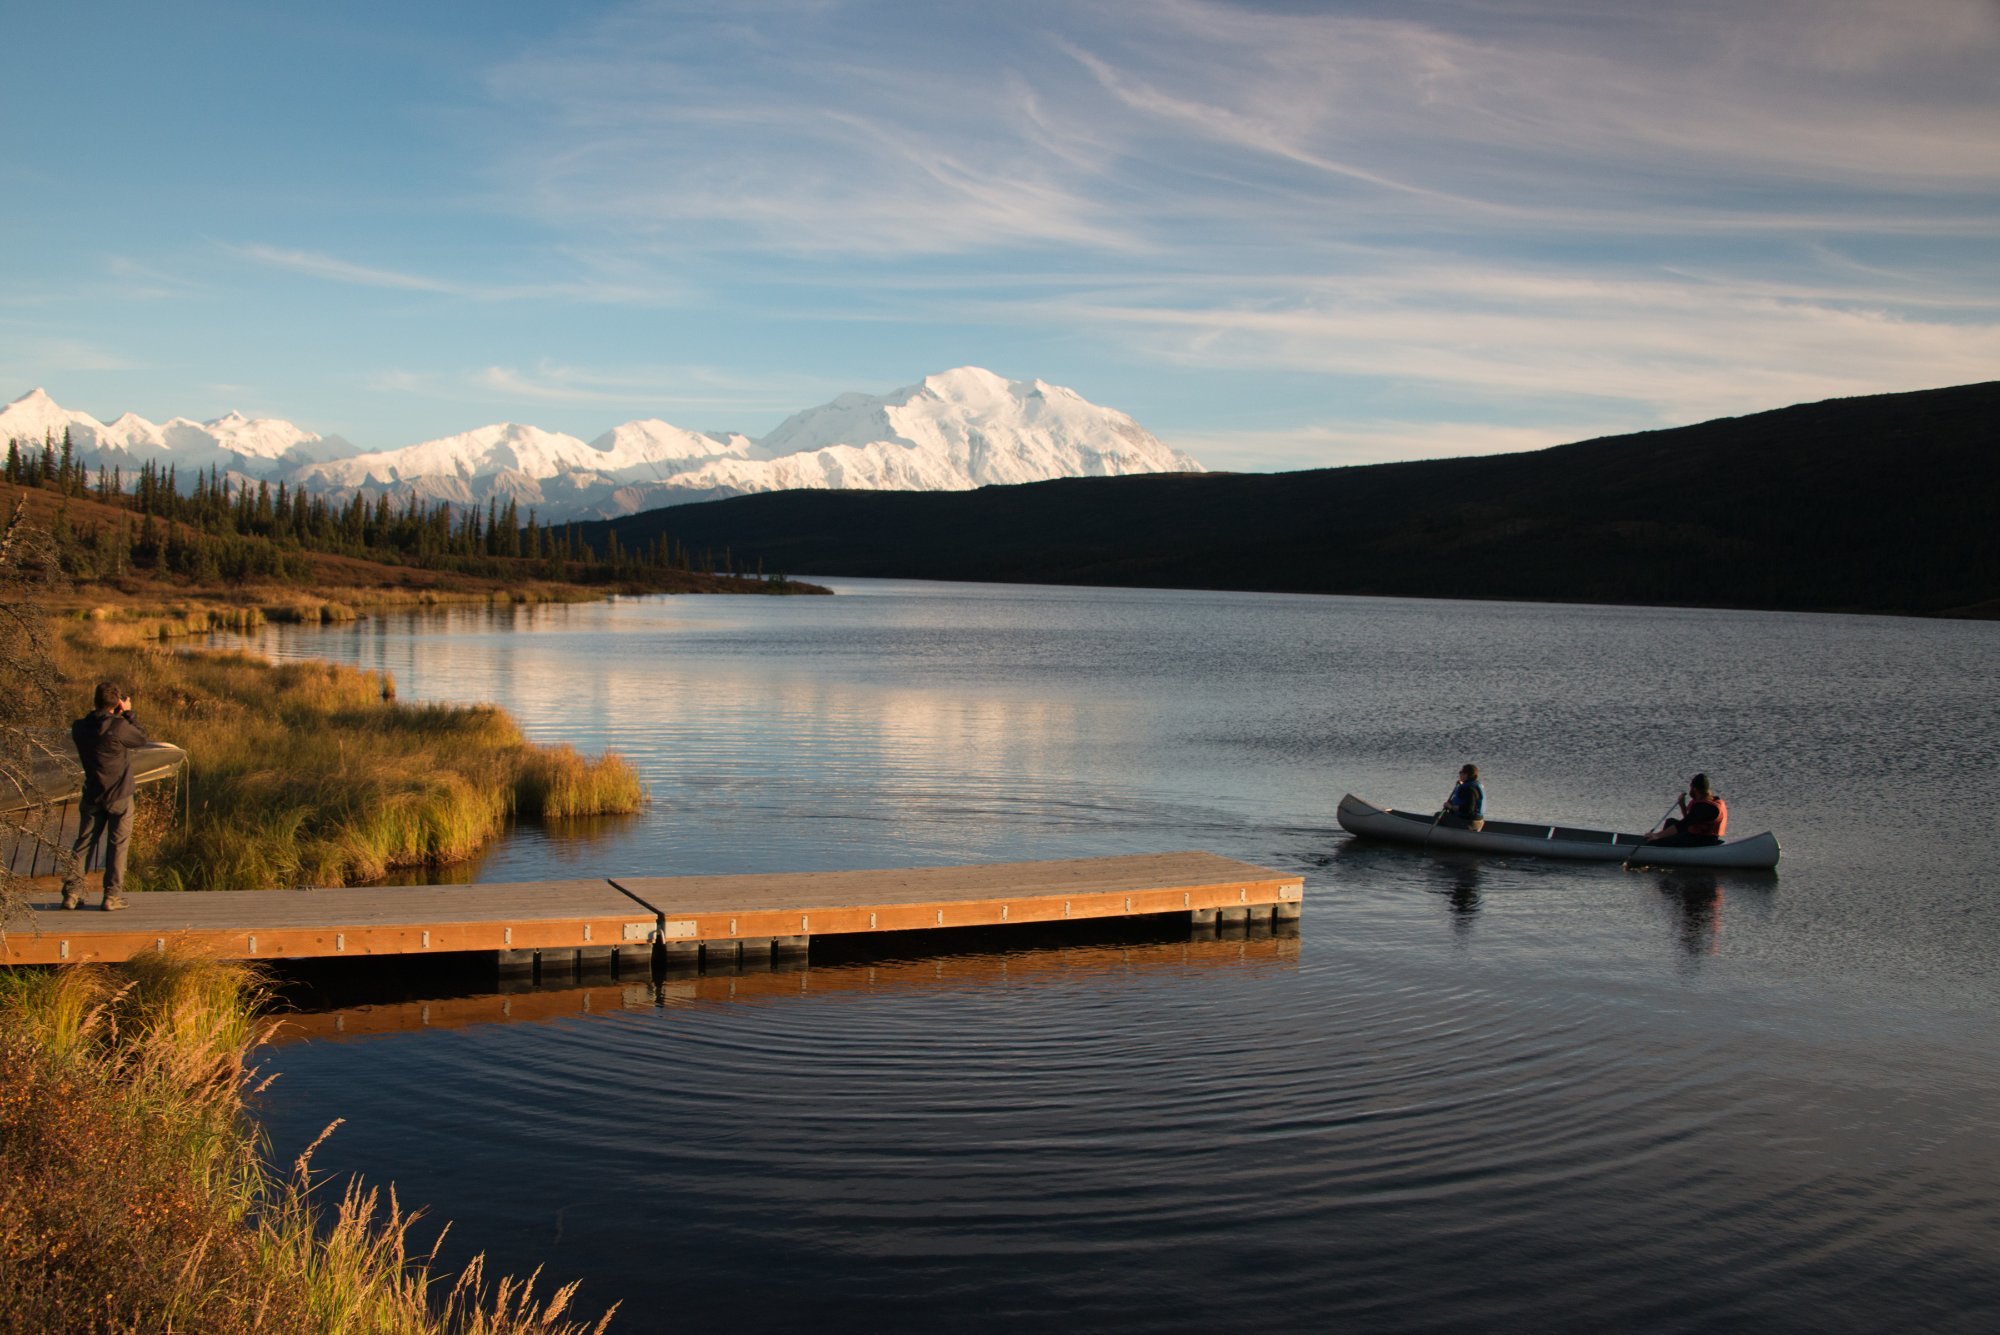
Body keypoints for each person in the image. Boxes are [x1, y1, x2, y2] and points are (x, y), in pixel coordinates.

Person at [61, 681, 152, 911]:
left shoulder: (79, 727)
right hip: (120, 796)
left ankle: (72, 893)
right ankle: (111, 896)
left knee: (83, 843)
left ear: (95, 700)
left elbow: (95, 727)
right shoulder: (119, 727)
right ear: (117, 703)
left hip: (93, 793)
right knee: (118, 845)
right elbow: (141, 738)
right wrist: (129, 713)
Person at [1647, 773, 1728, 847]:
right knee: (1670, 821)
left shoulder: (1704, 807)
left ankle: (1663, 847)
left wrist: (1657, 836)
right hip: (1699, 836)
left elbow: (1683, 825)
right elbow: (1691, 821)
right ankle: (1667, 845)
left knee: (1657, 841)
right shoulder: (1711, 801)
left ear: (1695, 789)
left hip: (1703, 841)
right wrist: (1682, 805)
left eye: (1691, 787)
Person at [1439, 763, 1485, 831]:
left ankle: (1443, 835)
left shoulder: (1468, 789)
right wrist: (1451, 804)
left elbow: (1468, 809)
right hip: (1479, 822)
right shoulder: (1474, 785)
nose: (1459, 774)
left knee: (1439, 816)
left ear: (1466, 774)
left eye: (1461, 772)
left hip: (1470, 823)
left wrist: (1451, 807)